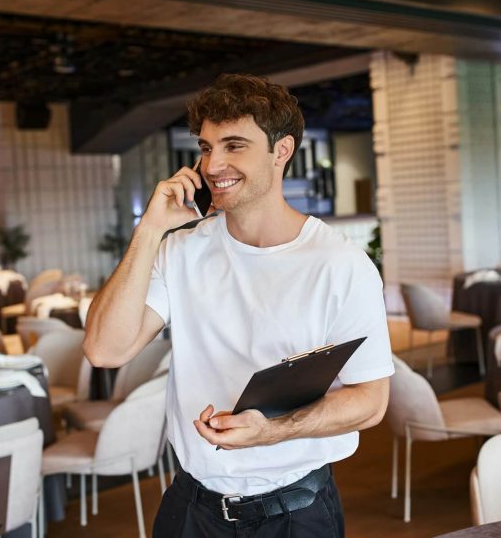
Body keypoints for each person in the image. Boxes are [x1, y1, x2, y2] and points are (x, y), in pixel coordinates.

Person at [85, 73, 394, 537]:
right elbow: (105, 351)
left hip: (295, 515)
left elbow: (370, 403)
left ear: (282, 151)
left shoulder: (341, 264)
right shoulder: (180, 248)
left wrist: (272, 430)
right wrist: (148, 231)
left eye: (234, 145)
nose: (213, 165)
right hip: (191, 506)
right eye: (207, 148)